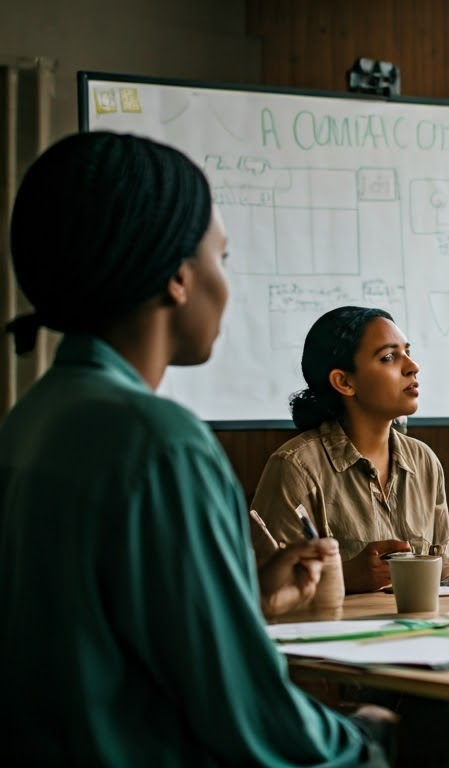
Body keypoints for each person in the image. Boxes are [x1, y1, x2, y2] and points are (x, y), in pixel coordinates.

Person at [0, 131, 391, 765]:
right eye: (223, 259)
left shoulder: (33, 418)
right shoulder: (160, 443)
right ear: (179, 278)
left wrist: (245, 600)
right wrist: (362, 740)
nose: (226, 285)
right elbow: (245, 715)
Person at [250, 305, 449, 768]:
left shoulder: (424, 463)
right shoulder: (296, 467)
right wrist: (353, 575)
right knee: (435, 708)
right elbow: (265, 601)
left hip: (424, 646)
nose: (412, 366)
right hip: (344, 664)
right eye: (388, 357)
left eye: (408, 353)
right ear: (344, 382)